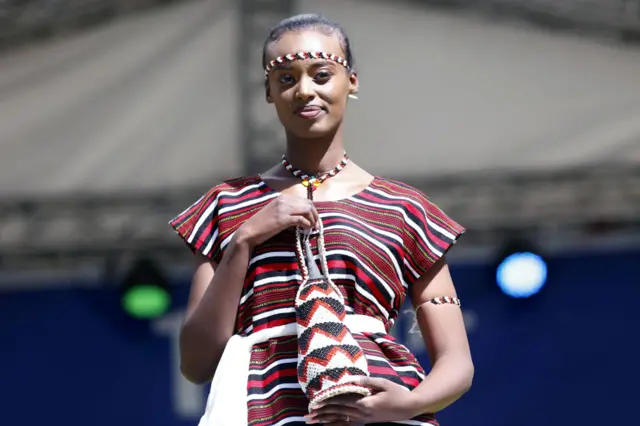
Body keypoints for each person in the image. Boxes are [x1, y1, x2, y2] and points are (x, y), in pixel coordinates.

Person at [170, 13, 473, 426]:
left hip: (375, 411)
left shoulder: (405, 208)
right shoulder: (228, 204)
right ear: (268, 92)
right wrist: (244, 241)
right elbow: (196, 363)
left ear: (352, 81)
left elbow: (457, 362)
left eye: (321, 73)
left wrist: (404, 403)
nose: (305, 90)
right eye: (287, 79)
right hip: (264, 409)